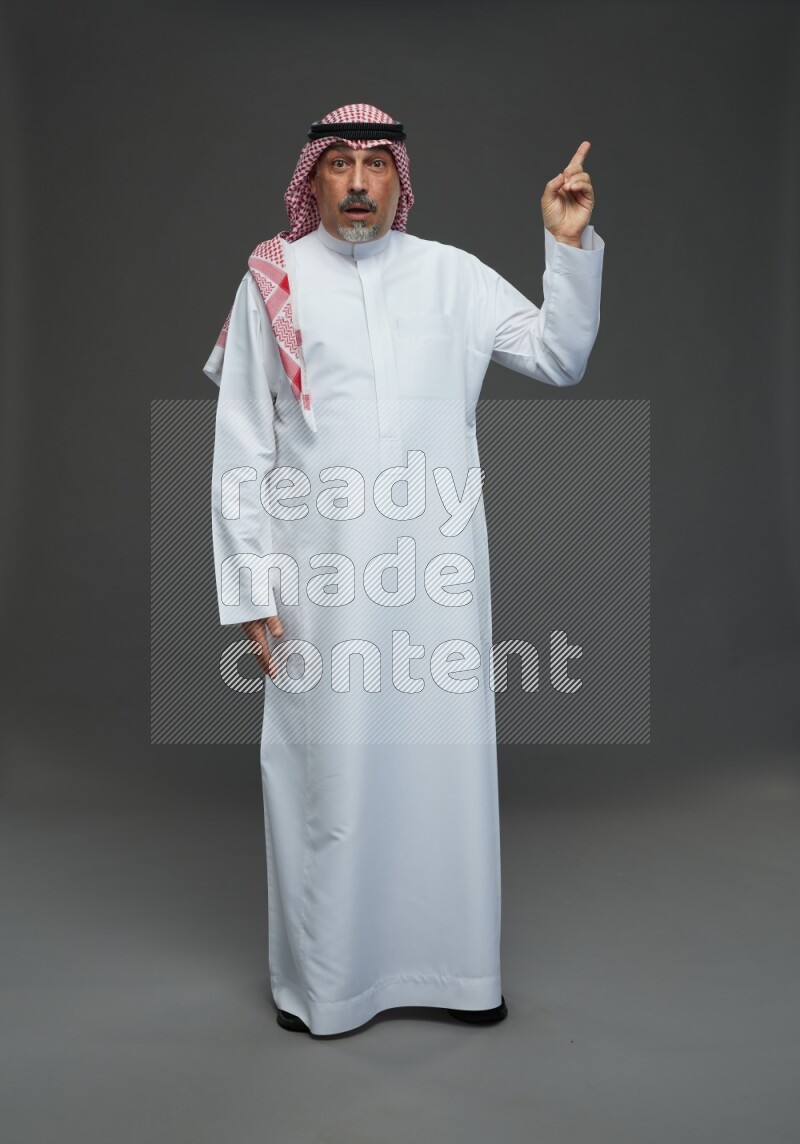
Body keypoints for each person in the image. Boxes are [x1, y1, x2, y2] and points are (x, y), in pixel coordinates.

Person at [202, 103, 604, 1037]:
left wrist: (567, 248)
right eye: (337, 163)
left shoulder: (452, 277)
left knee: (443, 770)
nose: (355, 182)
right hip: (323, 586)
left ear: (399, 180)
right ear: (314, 178)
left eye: (374, 165)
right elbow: (242, 447)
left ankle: (459, 976)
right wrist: (251, 588)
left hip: (438, 579)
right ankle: (326, 987)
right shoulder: (274, 279)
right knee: (328, 775)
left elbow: (560, 355)